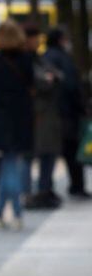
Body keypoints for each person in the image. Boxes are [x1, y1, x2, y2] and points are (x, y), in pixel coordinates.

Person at [0, 19, 35, 230]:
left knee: (7, 167)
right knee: (11, 166)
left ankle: (0, 214)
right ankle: (15, 213)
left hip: (0, 120)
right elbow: (32, 86)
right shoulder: (26, 61)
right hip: (21, 119)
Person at [43, 27, 88, 199]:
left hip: (53, 112)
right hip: (66, 112)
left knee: (54, 151)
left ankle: (48, 186)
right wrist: (81, 106)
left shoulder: (46, 57)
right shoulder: (63, 58)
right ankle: (76, 185)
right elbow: (71, 87)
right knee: (71, 150)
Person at [22, 24, 63, 210]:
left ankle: (42, 191)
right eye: (35, 38)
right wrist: (48, 80)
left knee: (47, 154)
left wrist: (50, 78)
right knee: (29, 156)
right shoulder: (25, 60)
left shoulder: (39, 58)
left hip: (44, 114)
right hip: (35, 114)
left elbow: (57, 76)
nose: (38, 42)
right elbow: (44, 80)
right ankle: (30, 194)